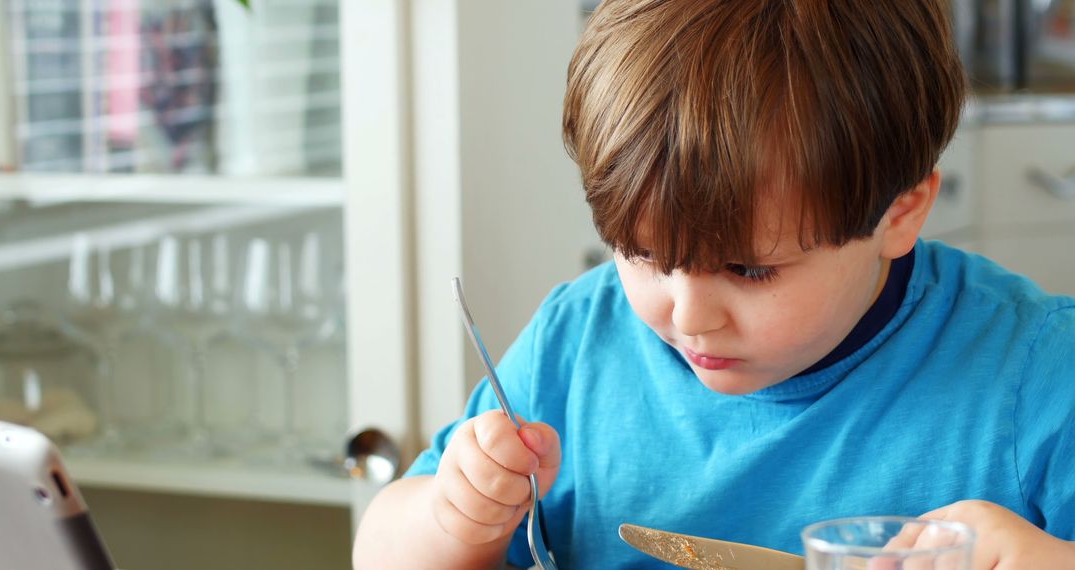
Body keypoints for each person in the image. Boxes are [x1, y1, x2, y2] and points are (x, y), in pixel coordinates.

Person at [352, 0, 1075, 568]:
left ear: (901, 210)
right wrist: (457, 518)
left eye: (748, 270)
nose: (689, 316)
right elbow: (377, 548)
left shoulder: (1040, 373)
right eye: (640, 254)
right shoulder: (578, 339)